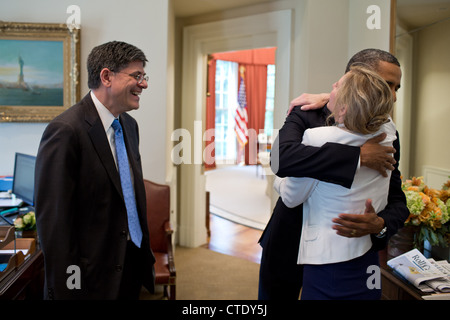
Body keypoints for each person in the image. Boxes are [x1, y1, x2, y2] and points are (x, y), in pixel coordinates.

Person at [258, 48, 410, 300]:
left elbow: (396, 199)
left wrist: (381, 225)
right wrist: (358, 156)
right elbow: (282, 159)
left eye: (397, 89)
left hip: (346, 255)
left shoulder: (386, 135)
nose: (392, 97)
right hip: (288, 244)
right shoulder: (306, 112)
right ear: (356, 77)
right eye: (387, 85)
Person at [35, 41, 155, 299]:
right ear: (106, 76)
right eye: (136, 76)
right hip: (87, 280)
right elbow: (54, 227)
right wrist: (70, 288)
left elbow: (127, 197)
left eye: (144, 76)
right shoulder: (65, 131)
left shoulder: (130, 127)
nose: (143, 84)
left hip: (128, 265)